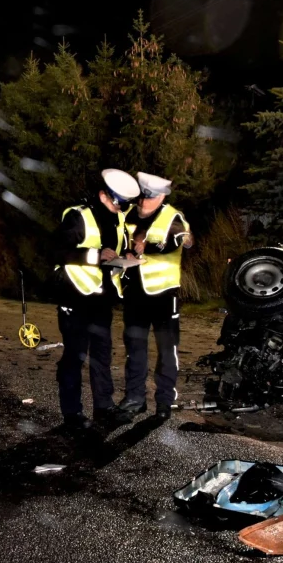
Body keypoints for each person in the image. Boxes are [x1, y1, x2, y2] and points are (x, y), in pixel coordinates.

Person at [49, 169, 140, 431]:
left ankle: (104, 407)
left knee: (101, 356)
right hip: (74, 298)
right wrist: (94, 255)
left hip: (101, 299)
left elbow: (115, 251)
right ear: (103, 195)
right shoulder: (79, 217)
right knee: (74, 357)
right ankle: (72, 414)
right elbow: (55, 251)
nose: (121, 208)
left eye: (125, 204)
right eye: (118, 202)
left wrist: (128, 257)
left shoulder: (117, 219)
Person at [117, 172, 193, 422]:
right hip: (134, 294)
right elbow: (120, 242)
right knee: (135, 350)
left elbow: (179, 240)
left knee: (167, 351)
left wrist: (147, 246)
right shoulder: (128, 214)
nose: (143, 203)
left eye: (148, 198)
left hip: (163, 295)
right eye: (141, 198)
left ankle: (164, 402)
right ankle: (135, 399)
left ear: (161, 196)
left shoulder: (173, 216)